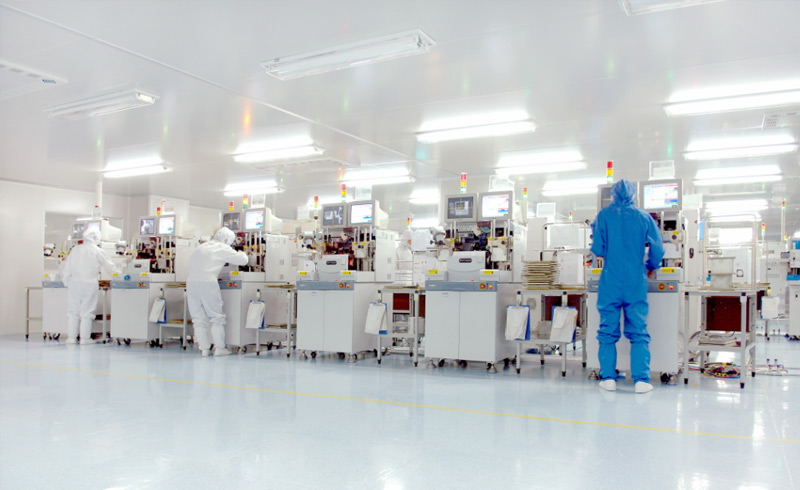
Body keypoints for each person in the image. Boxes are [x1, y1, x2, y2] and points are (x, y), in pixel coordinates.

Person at [591, 179, 664, 393]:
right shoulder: (643, 216)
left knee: (607, 330)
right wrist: (651, 266)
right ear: (634, 195)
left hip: (611, 280)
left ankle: (608, 378)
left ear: (612, 195)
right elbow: (658, 249)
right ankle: (641, 380)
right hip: (635, 280)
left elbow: (598, 249)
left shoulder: (603, 215)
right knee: (638, 330)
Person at [186, 227, 248, 357]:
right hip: (207, 282)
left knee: (198, 318)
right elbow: (243, 260)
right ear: (227, 240)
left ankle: (204, 349)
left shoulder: (201, 247)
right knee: (216, 317)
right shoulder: (222, 247)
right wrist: (241, 252)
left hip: (191, 283)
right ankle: (220, 348)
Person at [61, 228, 119, 344]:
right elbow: (110, 267)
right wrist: (120, 276)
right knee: (87, 312)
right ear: (96, 238)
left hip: (74, 283)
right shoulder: (97, 251)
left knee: (73, 312)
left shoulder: (76, 249)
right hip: (89, 284)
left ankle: (71, 338)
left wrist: (66, 282)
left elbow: (67, 267)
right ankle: (85, 338)